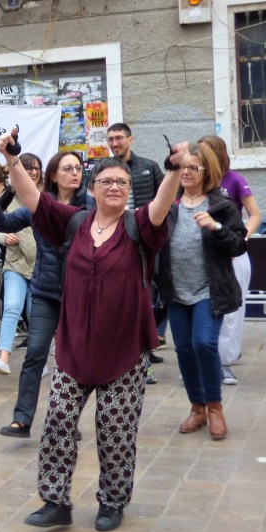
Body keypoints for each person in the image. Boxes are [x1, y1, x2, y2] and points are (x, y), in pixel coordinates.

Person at [0, 127, 184, 532]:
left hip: (123, 350)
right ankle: (55, 501)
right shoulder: (75, 221)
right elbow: (34, 200)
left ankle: (112, 501)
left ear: (128, 189)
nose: (114, 187)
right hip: (74, 347)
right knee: (59, 421)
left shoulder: (139, 225)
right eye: (105, 181)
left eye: (121, 182)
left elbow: (161, 205)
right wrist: (13, 160)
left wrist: (172, 170)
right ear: (93, 188)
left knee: (115, 431)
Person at [0, 150, 90, 439]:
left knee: (72, 359)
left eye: (78, 168)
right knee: (35, 354)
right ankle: (22, 419)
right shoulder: (39, 205)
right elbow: (4, 224)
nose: (75, 172)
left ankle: (68, 420)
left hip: (79, 295)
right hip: (45, 291)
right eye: (67, 168)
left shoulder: (91, 206)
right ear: (54, 175)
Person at [157, 141, 246, 441]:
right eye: (183, 167)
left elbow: (238, 244)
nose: (186, 172)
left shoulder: (221, 205)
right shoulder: (170, 203)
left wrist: (216, 227)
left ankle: (215, 407)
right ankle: (196, 407)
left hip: (209, 288)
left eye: (193, 167)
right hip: (175, 290)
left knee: (204, 344)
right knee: (183, 349)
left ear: (207, 171)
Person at [199, 135, 260, 386]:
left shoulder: (235, 180)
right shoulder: (196, 181)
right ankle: (202, 362)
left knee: (231, 312)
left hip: (232, 254)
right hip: (205, 255)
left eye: (204, 153)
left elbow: (255, 214)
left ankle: (224, 362)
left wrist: (239, 241)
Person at [107, 123, 169, 366]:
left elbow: (167, 198)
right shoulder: (104, 169)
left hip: (150, 238)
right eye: (110, 139)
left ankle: (148, 343)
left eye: (119, 138)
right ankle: (131, 347)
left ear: (130, 140)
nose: (114, 143)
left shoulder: (149, 167)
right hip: (118, 240)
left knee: (156, 293)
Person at [0, 155, 38, 376]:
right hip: (15, 263)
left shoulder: (44, 195)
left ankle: (39, 361)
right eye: (27, 168)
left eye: (36, 168)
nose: (32, 172)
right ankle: (3, 356)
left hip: (40, 265)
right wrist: (4, 238)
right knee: (13, 307)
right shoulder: (7, 196)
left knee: (36, 315)